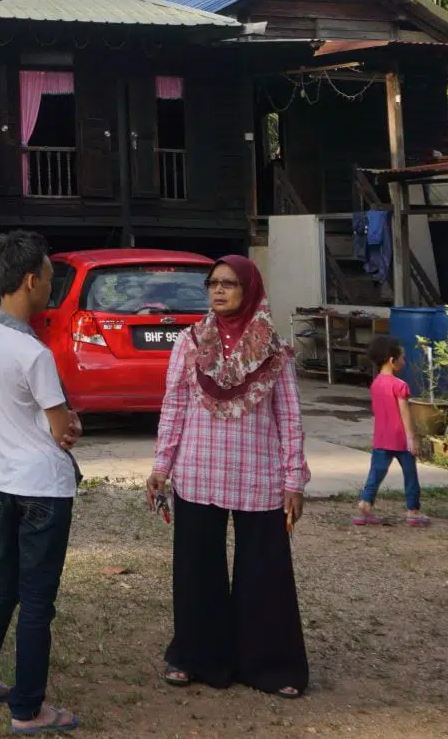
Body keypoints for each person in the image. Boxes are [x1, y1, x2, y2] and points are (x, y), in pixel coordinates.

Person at [144, 255, 310, 699]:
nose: (218, 291)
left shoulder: (274, 349)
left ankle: (271, 665)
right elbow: (174, 406)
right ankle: (195, 658)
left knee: (264, 573)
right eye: (213, 283)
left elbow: (290, 416)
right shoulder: (190, 342)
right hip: (199, 472)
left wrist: (293, 479)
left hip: (259, 475)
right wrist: (161, 466)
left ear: (249, 290)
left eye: (229, 283)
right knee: (197, 570)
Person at [0, 229, 82, 732]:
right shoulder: (35, 353)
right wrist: (71, 423)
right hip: (44, 487)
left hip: (5, 481)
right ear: (30, 280)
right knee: (36, 600)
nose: (51, 286)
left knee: (4, 582)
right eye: (49, 277)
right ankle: (29, 708)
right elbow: (62, 428)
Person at [354, 336, 429, 527]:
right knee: (410, 476)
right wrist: (412, 438)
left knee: (375, 473)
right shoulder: (400, 385)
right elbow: (405, 414)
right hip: (401, 439)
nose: (404, 361)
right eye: (402, 358)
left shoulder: (376, 384)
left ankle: (365, 503)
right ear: (391, 360)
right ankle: (412, 511)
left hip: (381, 439)